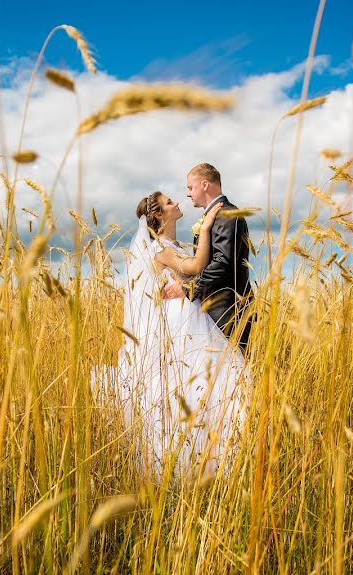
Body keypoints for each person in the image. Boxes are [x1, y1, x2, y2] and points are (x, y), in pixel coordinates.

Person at [100, 190, 248, 478]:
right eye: (169, 203)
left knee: (204, 383)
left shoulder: (173, 244)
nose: (177, 202)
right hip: (182, 320)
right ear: (158, 215)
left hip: (192, 314)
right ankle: (188, 458)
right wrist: (205, 228)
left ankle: (211, 451)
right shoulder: (159, 248)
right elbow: (195, 267)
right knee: (192, 383)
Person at [162, 163, 254, 351]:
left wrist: (188, 287)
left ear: (204, 185)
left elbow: (222, 264)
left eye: (190, 187)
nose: (188, 194)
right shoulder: (216, 215)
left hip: (227, 311)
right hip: (214, 311)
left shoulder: (227, 214)